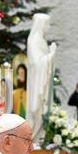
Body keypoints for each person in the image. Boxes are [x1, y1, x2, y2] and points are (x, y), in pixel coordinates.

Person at [26, 14, 57, 142]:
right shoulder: (34, 40)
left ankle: (40, 138)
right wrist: (52, 54)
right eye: (47, 24)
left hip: (42, 82)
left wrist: (50, 55)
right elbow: (37, 63)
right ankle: (33, 139)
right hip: (36, 83)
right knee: (37, 111)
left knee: (43, 112)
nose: (48, 27)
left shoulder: (41, 40)